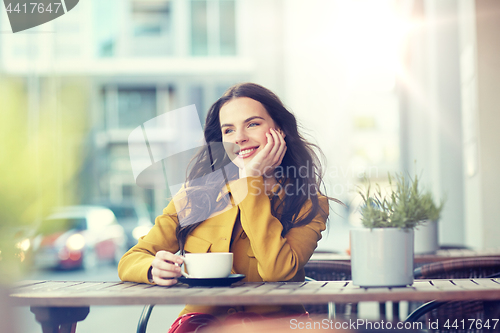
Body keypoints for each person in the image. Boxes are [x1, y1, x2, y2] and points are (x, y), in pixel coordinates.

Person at [118, 83, 339, 332]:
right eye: (228, 130)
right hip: (202, 324)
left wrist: (250, 179)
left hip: (279, 325)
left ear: (280, 129)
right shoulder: (194, 196)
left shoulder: (309, 202)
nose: (239, 137)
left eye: (253, 124)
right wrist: (151, 268)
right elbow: (130, 259)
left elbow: (278, 273)